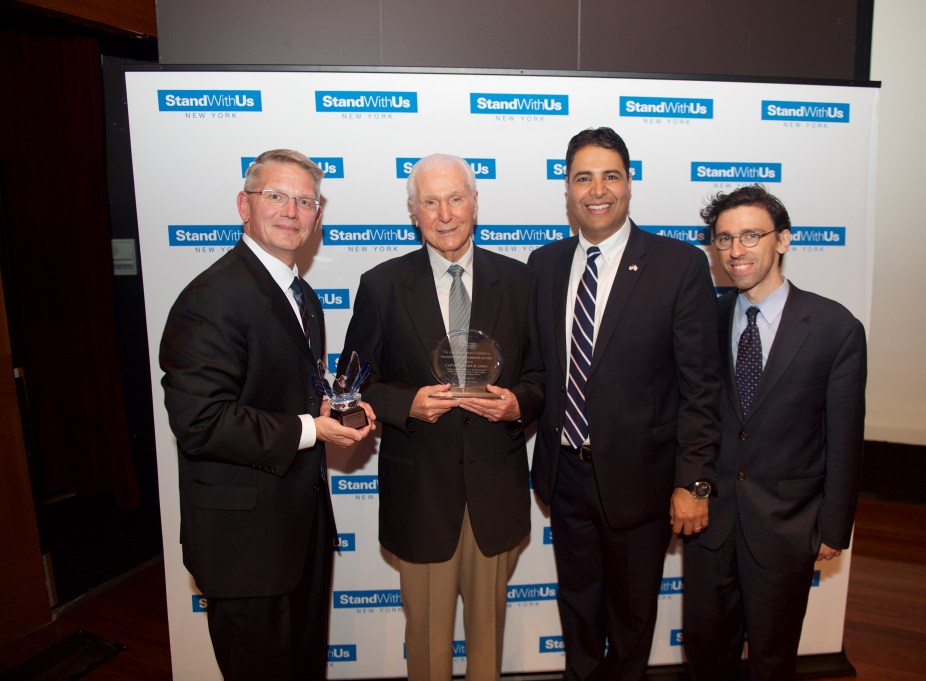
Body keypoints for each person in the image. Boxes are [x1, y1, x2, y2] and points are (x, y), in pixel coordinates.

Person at [160, 149, 375, 681]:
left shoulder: (303, 298)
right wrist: (311, 429)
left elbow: (277, 395)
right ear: (244, 205)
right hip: (245, 551)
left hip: (298, 535)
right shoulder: (212, 296)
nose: (291, 211)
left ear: (317, 215)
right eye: (276, 196)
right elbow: (201, 421)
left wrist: (327, 412)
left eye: (305, 201)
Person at [527, 127, 721, 680]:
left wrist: (694, 481)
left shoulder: (678, 265)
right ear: (567, 188)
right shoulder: (543, 265)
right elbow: (538, 368)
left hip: (645, 482)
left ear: (629, 183)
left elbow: (701, 387)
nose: (597, 189)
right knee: (579, 612)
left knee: (633, 622)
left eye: (610, 175)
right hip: (565, 477)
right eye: (582, 177)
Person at [342, 153, 544, 681]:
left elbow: (544, 377)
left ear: (475, 204)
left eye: (456, 198)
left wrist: (519, 403)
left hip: (494, 494)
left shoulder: (521, 283)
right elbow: (352, 384)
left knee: (486, 651)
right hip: (421, 497)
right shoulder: (381, 285)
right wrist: (404, 404)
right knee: (427, 651)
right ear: (413, 212)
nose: (445, 213)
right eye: (430, 202)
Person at [683, 184, 867, 681]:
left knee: (772, 659)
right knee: (705, 657)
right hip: (710, 526)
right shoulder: (705, 319)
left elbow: (844, 438)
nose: (735, 251)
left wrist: (833, 528)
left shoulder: (834, 327)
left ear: (782, 240)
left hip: (787, 526)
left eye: (750, 236)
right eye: (723, 240)